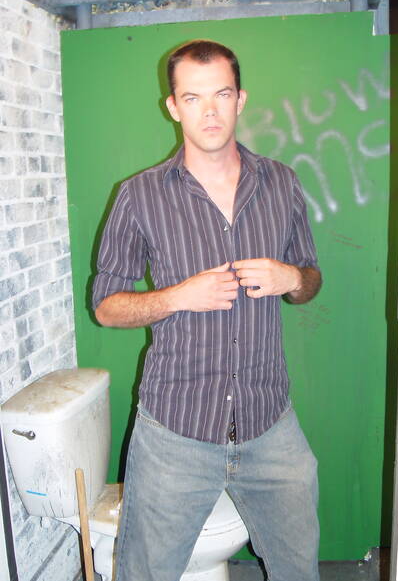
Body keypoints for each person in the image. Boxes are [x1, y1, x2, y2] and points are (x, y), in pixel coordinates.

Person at [92, 39, 322, 581]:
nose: (210, 111)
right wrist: (178, 296)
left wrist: (291, 278)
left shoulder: (282, 183)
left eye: (221, 94)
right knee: (144, 573)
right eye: (193, 98)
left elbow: (311, 279)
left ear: (240, 98)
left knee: (299, 569)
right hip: (175, 432)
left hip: (270, 423)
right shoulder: (139, 196)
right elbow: (105, 307)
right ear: (173, 107)